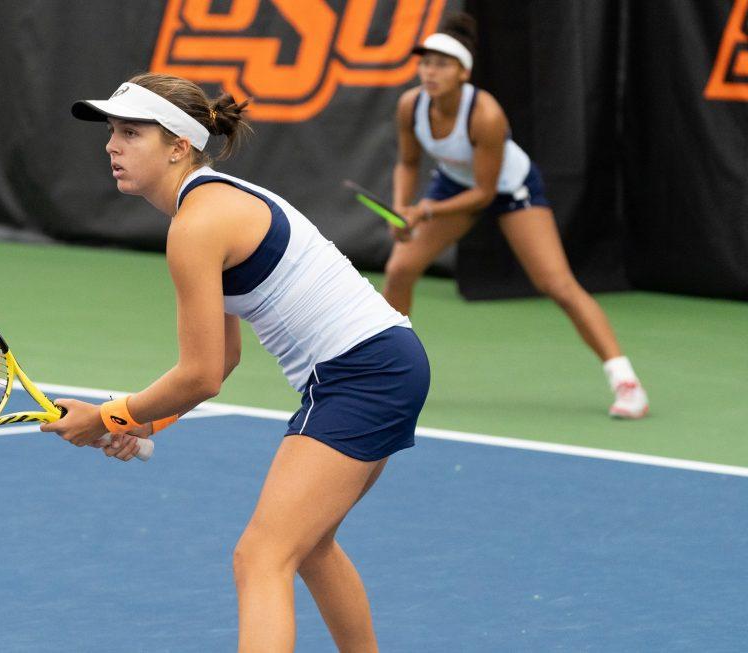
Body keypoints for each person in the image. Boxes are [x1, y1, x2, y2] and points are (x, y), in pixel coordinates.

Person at [38, 72, 430, 652]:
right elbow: (220, 365)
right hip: (389, 362)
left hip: (361, 375)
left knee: (261, 558)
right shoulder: (208, 204)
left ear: (178, 145)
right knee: (311, 547)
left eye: (130, 132)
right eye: (111, 132)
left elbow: (198, 374)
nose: (112, 145)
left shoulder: (197, 224)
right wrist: (143, 419)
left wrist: (107, 416)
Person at [382, 12, 649, 419]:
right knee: (400, 269)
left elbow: (484, 193)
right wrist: (402, 210)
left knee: (556, 283)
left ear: (463, 74)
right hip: (454, 184)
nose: (430, 72)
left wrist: (426, 210)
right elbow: (408, 163)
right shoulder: (410, 106)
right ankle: (386, 372)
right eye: (425, 63)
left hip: (509, 189)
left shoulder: (485, 115)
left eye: (441, 64)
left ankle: (626, 382)